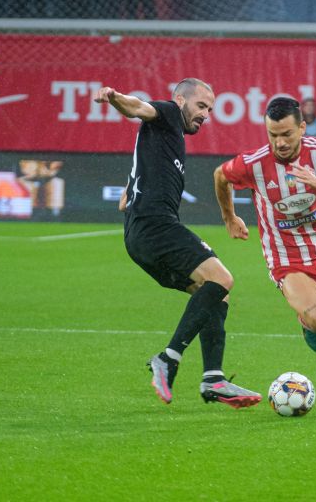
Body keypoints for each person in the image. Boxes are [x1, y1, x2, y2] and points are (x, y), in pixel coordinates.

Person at [93, 79, 261, 408]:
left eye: (210, 110)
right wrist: (115, 98)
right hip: (155, 226)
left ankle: (213, 378)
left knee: (216, 295)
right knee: (222, 278)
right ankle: (168, 358)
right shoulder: (168, 114)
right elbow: (139, 107)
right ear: (180, 100)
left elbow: (123, 202)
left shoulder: (160, 142)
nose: (206, 115)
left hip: (139, 236)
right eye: (201, 107)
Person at [213, 97, 316, 417]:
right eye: (273, 135)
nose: (280, 142)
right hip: (287, 258)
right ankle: (307, 323)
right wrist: (229, 217)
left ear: (302, 127)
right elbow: (220, 175)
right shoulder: (254, 163)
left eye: (286, 134)